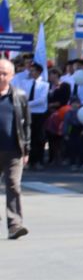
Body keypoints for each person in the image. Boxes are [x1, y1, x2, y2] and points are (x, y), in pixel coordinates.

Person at [0, 58, 28, 239]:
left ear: (12, 76)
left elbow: (26, 125)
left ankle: (14, 224)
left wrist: (27, 150)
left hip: (13, 149)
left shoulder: (19, 96)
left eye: (4, 73)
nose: (0, 76)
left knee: (13, 185)